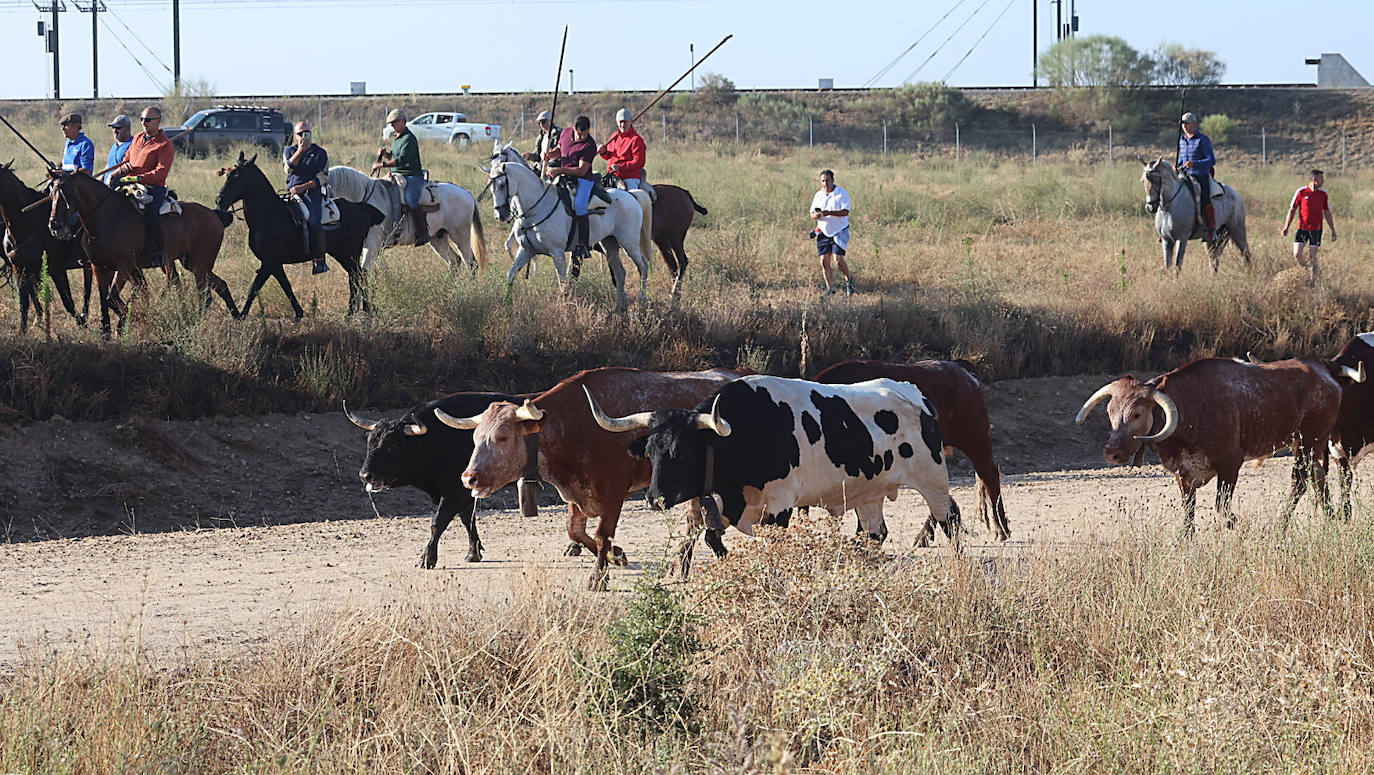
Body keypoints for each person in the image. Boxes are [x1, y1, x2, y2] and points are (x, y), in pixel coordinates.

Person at [112, 106, 174, 267]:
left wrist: (137, 178)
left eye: (147, 120)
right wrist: (119, 172)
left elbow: (161, 173)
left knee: (151, 212)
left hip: (154, 187)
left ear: (158, 121)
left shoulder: (165, 145)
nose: (143, 123)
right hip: (130, 182)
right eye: (141, 119)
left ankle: (158, 252)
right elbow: (127, 160)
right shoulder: (138, 138)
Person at [372, 108, 429, 247]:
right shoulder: (397, 138)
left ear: (403, 122)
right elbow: (395, 157)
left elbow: (402, 160)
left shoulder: (409, 138)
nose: (392, 126)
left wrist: (382, 165)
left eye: (394, 123)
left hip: (412, 176)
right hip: (398, 175)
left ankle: (423, 233)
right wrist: (386, 154)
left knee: (410, 199)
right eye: (391, 124)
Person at [546, 115, 597, 261]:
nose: (582, 136)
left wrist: (560, 170)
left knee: (580, 206)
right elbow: (559, 150)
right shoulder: (565, 133)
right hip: (565, 177)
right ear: (574, 129)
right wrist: (549, 155)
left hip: (583, 180)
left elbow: (581, 170)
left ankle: (584, 245)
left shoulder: (589, 145)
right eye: (580, 133)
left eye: (585, 133)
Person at [283, 120, 331, 274]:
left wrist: (302, 187)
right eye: (300, 134)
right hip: (291, 193)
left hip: (312, 194)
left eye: (306, 133)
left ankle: (319, 260)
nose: (303, 136)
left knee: (314, 221)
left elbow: (322, 178)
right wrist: (300, 151)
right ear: (295, 136)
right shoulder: (289, 151)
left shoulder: (320, 153)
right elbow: (288, 169)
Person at [1281, 168, 1338, 282]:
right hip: (1302, 228)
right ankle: (1305, 270)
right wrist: (1286, 226)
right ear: (1314, 179)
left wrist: (1333, 230)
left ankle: (1313, 280)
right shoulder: (1301, 192)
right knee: (1297, 254)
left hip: (1316, 230)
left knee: (1313, 257)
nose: (1323, 181)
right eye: (1322, 179)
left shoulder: (1323, 194)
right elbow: (1292, 210)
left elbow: (1327, 213)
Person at [809, 169, 854, 296]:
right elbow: (811, 213)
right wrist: (816, 215)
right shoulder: (818, 195)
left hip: (839, 231)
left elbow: (845, 211)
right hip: (823, 230)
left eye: (827, 180)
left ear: (833, 180)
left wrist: (829, 213)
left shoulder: (841, 194)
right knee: (824, 261)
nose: (825, 183)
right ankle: (830, 289)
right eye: (823, 181)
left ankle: (849, 279)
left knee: (838, 261)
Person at [1177, 112, 1218, 242]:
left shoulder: (1202, 140)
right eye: (1182, 124)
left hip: (1200, 176)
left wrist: (1195, 163)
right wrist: (1176, 165)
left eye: (1186, 123)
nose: (1184, 126)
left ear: (1194, 124)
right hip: (1184, 175)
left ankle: (1211, 229)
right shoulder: (1182, 140)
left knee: (1204, 198)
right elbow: (1183, 158)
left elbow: (1211, 160)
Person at [598, 108, 646, 190]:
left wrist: (620, 167)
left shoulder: (636, 140)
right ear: (616, 122)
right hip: (612, 177)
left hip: (630, 178)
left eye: (625, 122)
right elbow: (610, 156)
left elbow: (639, 162)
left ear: (631, 121)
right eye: (621, 122)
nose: (623, 125)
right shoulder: (614, 136)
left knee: (631, 198)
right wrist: (603, 152)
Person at [103, 114, 133, 186]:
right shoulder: (115, 145)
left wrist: (112, 176)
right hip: (106, 189)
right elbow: (109, 165)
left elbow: (130, 166)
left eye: (118, 128)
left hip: (120, 188)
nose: (114, 131)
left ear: (127, 128)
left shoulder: (133, 144)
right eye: (113, 127)